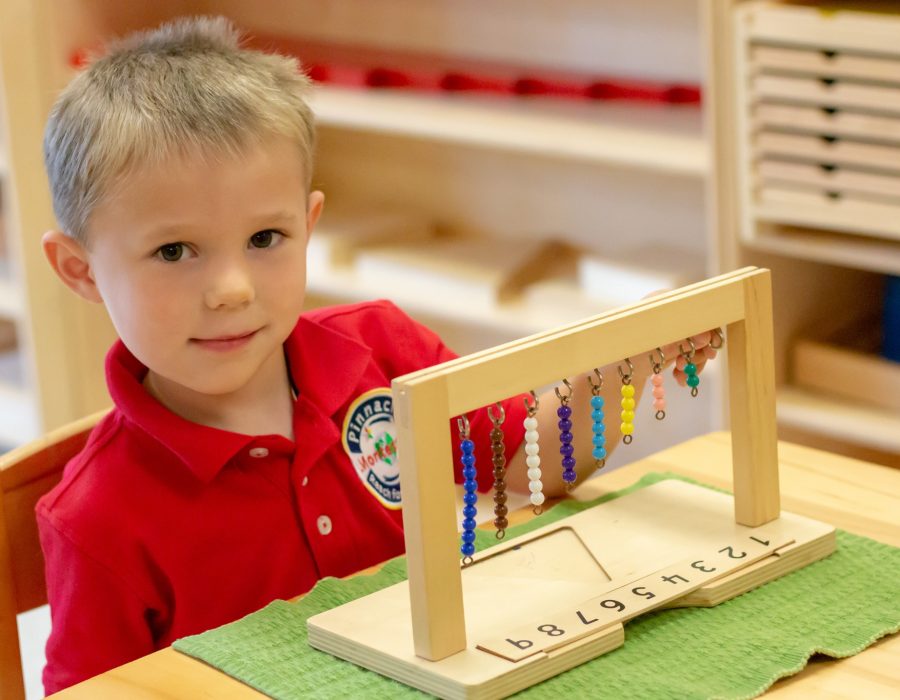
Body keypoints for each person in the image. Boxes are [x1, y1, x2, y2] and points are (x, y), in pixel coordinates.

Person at [36, 16, 716, 693]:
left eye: (266, 238)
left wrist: (625, 371)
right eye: (174, 251)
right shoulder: (93, 519)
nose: (232, 290)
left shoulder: (382, 351)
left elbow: (529, 467)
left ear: (310, 226)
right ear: (80, 271)